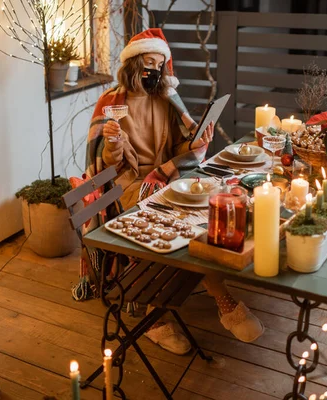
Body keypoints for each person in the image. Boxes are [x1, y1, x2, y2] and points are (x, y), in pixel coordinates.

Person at [84, 28, 264, 355]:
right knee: (178, 220)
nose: (154, 70)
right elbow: (105, 166)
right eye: (148, 62)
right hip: (127, 185)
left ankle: (197, 300)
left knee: (205, 210)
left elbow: (182, 149)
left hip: (163, 179)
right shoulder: (111, 102)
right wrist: (112, 143)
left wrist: (197, 141)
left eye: (159, 63)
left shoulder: (166, 98)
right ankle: (202, 304)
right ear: (135, 63)